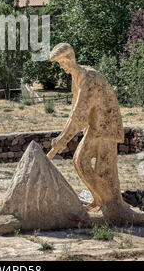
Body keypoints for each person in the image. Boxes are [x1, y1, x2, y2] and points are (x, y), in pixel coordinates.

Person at [48, 42, 128, 223]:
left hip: (106, 127)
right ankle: (98, 200)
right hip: (95, 127)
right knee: (79, 160)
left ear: (70, 58)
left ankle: (112, 206)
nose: (62, 67)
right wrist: (62, 137)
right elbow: (75, 112)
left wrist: (63, 139)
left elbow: (79, 115)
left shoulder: (89, 79)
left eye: (62, 62)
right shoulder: (77, 79)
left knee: (95, 166)